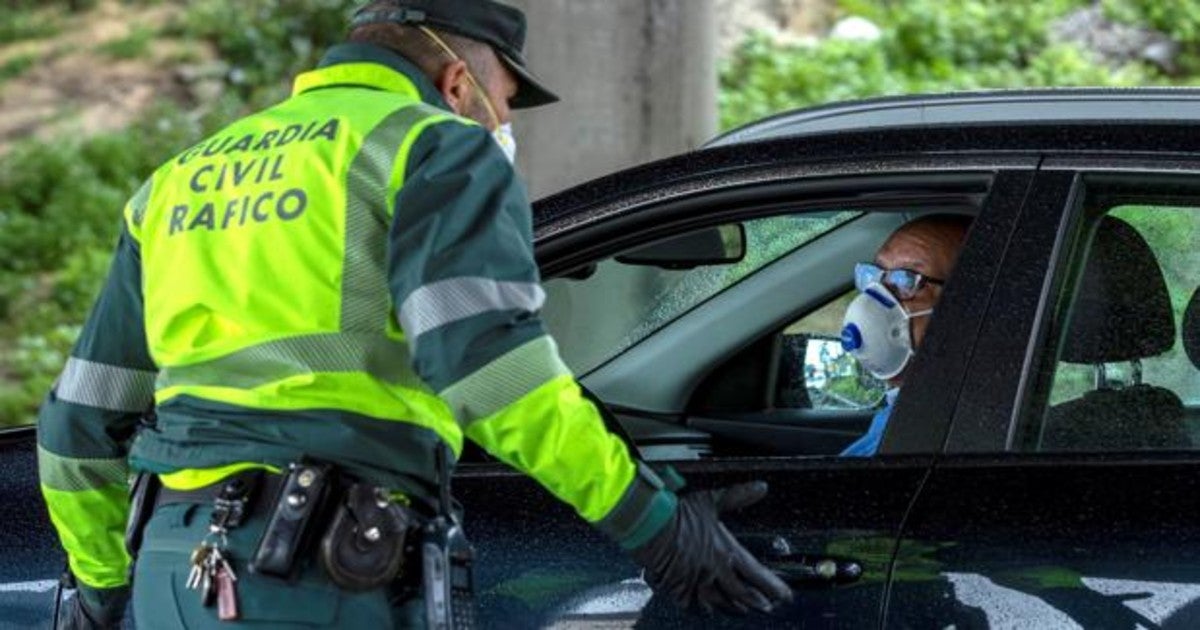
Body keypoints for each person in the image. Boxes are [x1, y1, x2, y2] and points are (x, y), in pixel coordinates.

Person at [36, 1, 792, 627]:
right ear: (458, 80)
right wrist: (655, 527)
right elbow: (491, 372)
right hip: (324, 576)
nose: (502, 121)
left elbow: (76, 425)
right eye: (506, 99)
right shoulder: (435, 149)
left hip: (174, 577)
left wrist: (105, 593)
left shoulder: (181, 179)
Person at [839, 214, 972, 456]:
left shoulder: (934, 434)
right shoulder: (907, 412)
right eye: (874, 275)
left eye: (906, 280)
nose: (876, 296)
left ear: (964, 308)